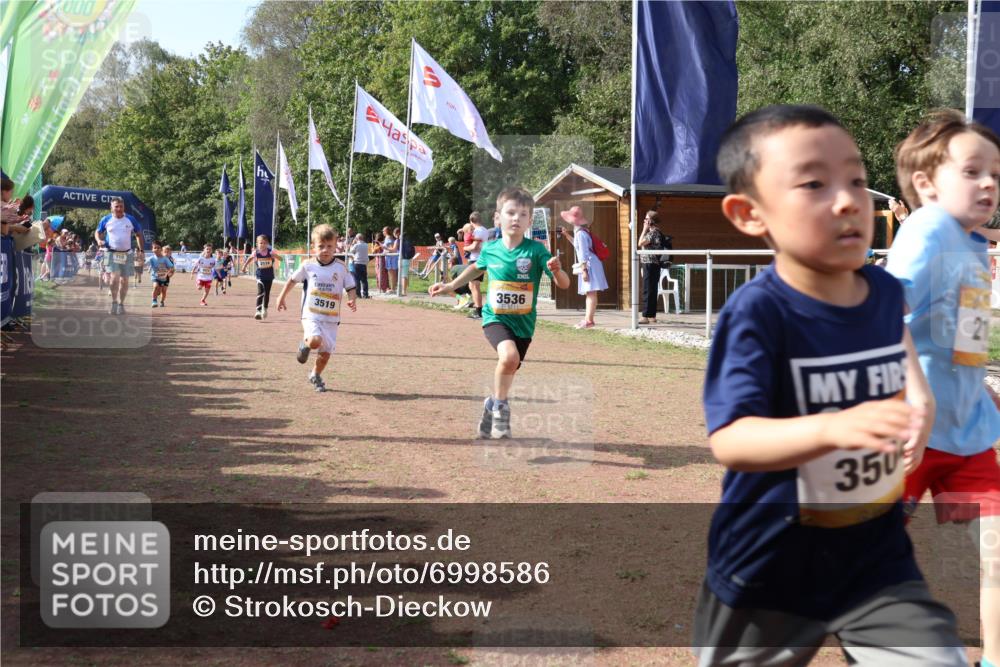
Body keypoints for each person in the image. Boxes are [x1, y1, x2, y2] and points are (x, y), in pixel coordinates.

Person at [694, 105, 963, 666]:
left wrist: (921, 399)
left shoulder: (885, 292)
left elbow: (898, 343)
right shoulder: (759, 313)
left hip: (876, 558)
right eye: (814, 183)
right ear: (748, 213)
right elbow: (732, 440)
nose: (848, 200)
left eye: (858, 180)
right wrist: (834, 427)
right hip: (768, 566)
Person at [886, 109, 1000, 667]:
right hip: (912, 434)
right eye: (974, 171)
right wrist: (920, 396)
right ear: (927, 185)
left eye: (996, 174)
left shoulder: (975, 247)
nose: (989, 184)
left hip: (968, 436)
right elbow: (881, 314)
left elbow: (966, 338)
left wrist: (984, 390)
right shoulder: (928, 229)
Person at [429, 187, 570, 439]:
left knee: (510, 365)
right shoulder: (491, 249)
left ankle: (491, 403)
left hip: (524, 324)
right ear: (499, 217)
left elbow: (564, 284)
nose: (516, 218)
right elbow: (475, 268)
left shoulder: (537, 252)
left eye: (523, 214)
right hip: (495, 318)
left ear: (529, 221)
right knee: (508, 357)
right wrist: (451, 285)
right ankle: (501, 410)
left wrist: (557, 270)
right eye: (511, 212)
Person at [275, 224, 357, 393]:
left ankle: (315, 374)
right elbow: (292, 280)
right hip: (311, 314)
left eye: (329, 246)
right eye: (321, 246)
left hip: (331, 318)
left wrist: (352, 299)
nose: (325, 250)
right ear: (313, 247)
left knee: (325, 354)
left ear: (336, 246)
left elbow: (350, 286)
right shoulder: (308, 265)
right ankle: (304, 345)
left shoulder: (341, 267)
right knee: (314, 341)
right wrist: (281, 297)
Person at [94, 197, 144, 315]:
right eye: (116, 206)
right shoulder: (106, 219)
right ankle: (114, 303)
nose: (119, 209)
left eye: (121, 206)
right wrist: (98, 240)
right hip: (111, 252)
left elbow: (138, 234)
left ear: (124, 207)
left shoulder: (130, 219)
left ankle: (121, 304)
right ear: (111, 208)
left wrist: (141, 250)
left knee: (124, 280)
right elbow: (97, 232)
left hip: (127, 253)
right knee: (114, 278)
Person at [561, 205, 608, 329]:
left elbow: (583, 252)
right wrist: (568, 236)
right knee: (590, 292)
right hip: (591, 263)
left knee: (591, 292)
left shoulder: (580, 234)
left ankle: (589, 320)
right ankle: (588, 319)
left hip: (589, 264)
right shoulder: (582, 232)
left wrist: (584, 270)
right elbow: (580, 247)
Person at [637, 210, 670, 324]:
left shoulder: (653, 232)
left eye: (646, 219)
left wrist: (643, 229)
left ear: (651, 221)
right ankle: (652, 315)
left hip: (650, 263)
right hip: (653, 264)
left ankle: (646, 316)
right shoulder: (657, 232)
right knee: (652, 289)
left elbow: (640, 243)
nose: (644, 221)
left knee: (648, 289)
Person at [241, 234, 282, 319]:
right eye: (260, 243)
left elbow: (280, 259)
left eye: (264, 243)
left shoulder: (270, 252)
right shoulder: (256, 253)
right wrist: (244, 266)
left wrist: (275, 256)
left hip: (269, 276)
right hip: (260, 276)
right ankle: (258, 311)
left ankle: (265, 309)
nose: (262, 245)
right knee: (260, 292)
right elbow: (249, 259)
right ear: (257, 244)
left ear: (267, 244)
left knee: (267, 293)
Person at [465, 212, 489, 319]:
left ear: (472, 221)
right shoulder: (484, 230)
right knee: (472, 285)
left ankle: (479, 311)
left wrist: (465, 248)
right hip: (480, 259)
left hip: (476, 260)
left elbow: (474, 247)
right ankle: (477, 306)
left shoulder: (478, 231)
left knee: (474, 285)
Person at [147, 242, 171, 308]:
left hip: (165, 277)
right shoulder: (151, 258)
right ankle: (154, 301)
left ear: (161, 249)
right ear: (152, 249)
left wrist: (169, 274)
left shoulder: (165, 259)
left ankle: (162, 301)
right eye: (155, 248)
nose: (157, 249)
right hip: (155, 276)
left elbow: (171, 267)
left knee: (163, 291)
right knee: (155, 286)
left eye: (158, 248)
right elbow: (144, 263)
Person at [349, 233, 370, 299]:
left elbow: (351, 251)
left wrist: (353, 244)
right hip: (364, 264)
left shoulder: (356, 245)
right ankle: (365, 294)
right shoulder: (366, 245)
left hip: (357, 263)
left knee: (357, 279)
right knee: (364, 280)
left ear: (357, 238)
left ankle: (358, 294)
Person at [383, 225, 399, 292]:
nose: (383, 232)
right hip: (391, 257)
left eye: (383, 231)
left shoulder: (388, 238)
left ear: (386, 231)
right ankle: (393, 288)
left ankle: (393, 289)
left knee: (392, 273)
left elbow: (391, 248)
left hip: (391, 258)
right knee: (392, 273)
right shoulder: (390, 238)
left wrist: (385, 250)